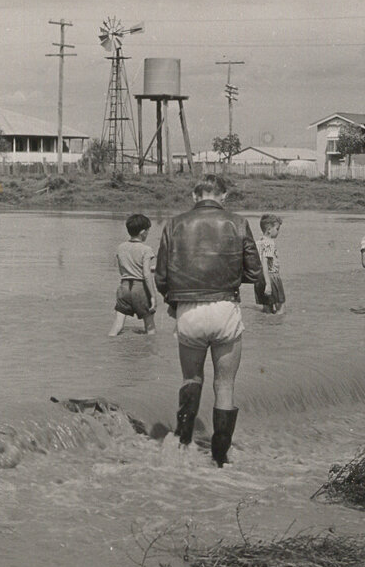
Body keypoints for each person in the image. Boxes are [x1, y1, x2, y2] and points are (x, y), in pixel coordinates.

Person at [155, 174, 262, 467]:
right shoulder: (238, 223)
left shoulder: (175, 223)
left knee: (191, 378)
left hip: (188, 310)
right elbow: (254, 274)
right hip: (225, 307)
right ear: (223, 197)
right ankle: (220, 458)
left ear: (194, 196)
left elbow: (162, 277)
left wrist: (174, 301)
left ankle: (183, 446)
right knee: (225, 385)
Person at [108, 213, 157, 336]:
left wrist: (151, 269)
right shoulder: (146, 249)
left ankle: (109, 346)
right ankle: (153, 354)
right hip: (140, 289)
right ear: (142, 232)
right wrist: (153, 296)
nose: (148, 234)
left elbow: (124, 270)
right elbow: (146, 274)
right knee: (150, 328)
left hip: (124, 287)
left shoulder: (120, 247)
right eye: (148, 231)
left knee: (117, 325)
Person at [253, 214, 285, 314]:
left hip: (259, 278)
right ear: (269, 229)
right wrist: (268, 284)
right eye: (277, 229)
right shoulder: (269, 243)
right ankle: (278, 328)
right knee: (280, 307)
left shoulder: (259, 242)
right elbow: (264, 261)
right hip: (271, 277)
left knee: (267, 308)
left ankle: (266, 327)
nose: (278, 231)